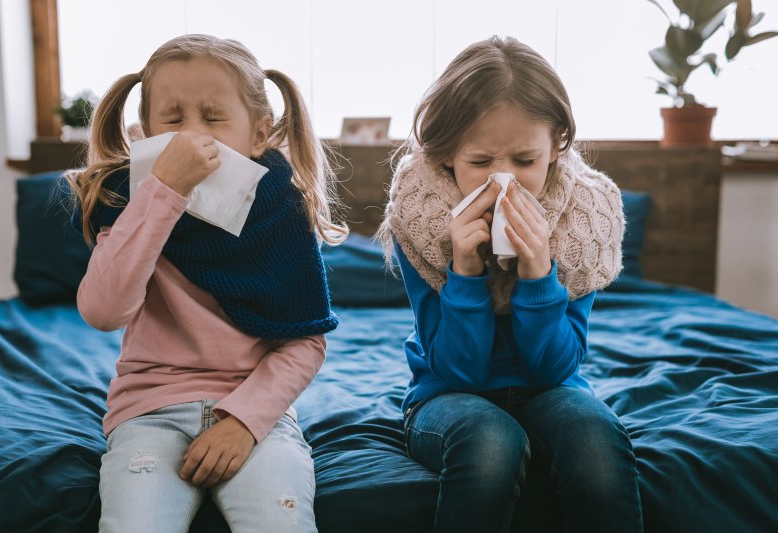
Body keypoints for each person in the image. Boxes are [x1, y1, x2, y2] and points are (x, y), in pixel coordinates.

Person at [68, 34, 346, 533]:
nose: (191, 136)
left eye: (213, 118)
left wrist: (243, 422)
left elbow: (304, 343)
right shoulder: (128, 206)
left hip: (255, 419)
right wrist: (163, 192)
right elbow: (102, 311)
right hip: (147, 412)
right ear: (144, 133)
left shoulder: (282, 214)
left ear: (259, 134)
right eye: (172, 121)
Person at [380, 36, 643, 532]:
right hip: (445, 395)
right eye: (479, 163)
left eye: (525, 161)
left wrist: (539, 273)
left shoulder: (584, 223)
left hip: (550, 388)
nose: (504, 181)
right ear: (446, 155)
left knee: (596, 442)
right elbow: (460, 370)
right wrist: (465, 270)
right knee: (490, 441)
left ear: (558, 144)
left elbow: (555, 369)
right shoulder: (418, 219)